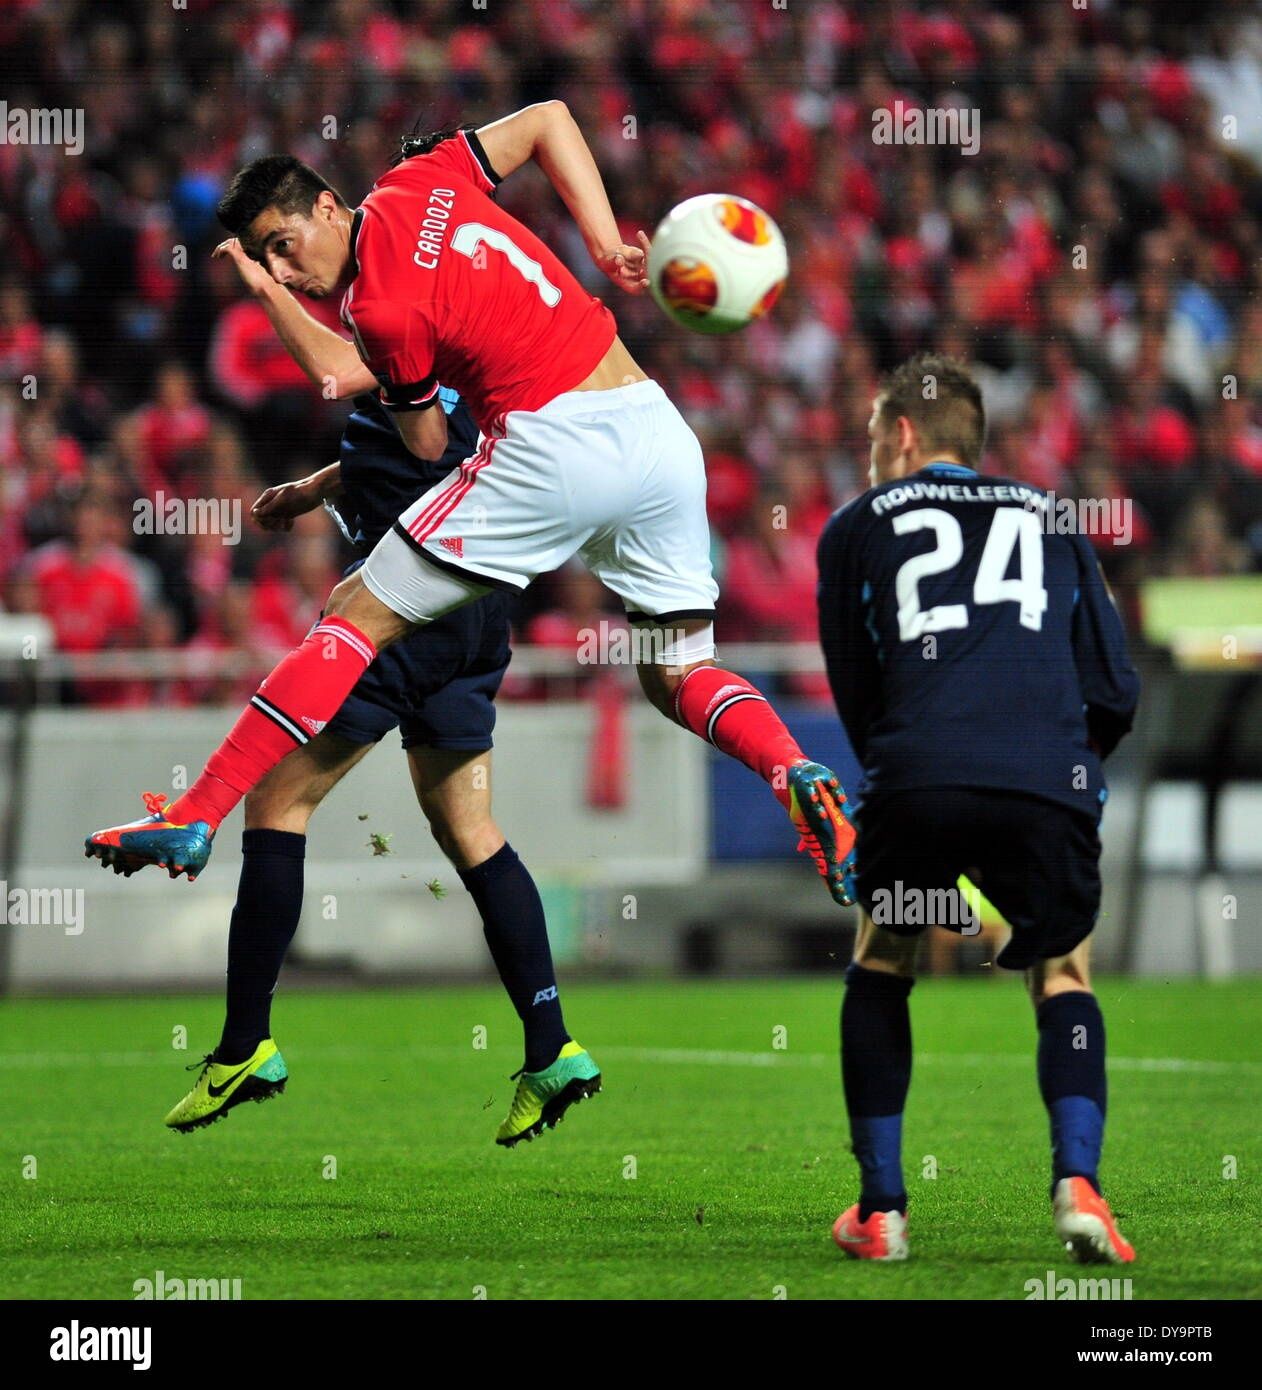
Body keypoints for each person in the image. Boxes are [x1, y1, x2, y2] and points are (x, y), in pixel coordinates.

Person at [86, 101, 856, 912]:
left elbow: (421, 444)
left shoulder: (377, 311)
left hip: (552, 446)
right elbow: (552, 119)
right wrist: (601, 243)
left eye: (283, 247)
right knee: (680, 672)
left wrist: (319, 343)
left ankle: (195, 812)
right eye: (265, 263)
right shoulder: (420, 178)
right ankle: (794, 770)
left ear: (325, 206)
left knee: (354, 612)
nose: (284, 271)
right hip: (658, 434)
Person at [157, 381, 598, 1146]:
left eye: (290, 253)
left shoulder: (393, 324)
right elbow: (427, 439)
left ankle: (244, 1047)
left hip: (404, 606)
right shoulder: (465, 356)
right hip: (479, 605)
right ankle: (552, 1045)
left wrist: (268, 286)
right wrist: (318, 485)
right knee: (470, 828)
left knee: (276, 801)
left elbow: (394, 416)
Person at [816, 353, 1141, 1264]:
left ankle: (881, 1211)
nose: (871, 450)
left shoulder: (853, 528)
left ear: (905, 434)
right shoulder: (1055, 517)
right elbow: (1114, 687)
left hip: (918, 776)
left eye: (876, 434)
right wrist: (1060, 769)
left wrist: (908, 772)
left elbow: (858, 689)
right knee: (1063, 975)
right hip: (1047, 781)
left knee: (884, 959)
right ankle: (1079, 1186)